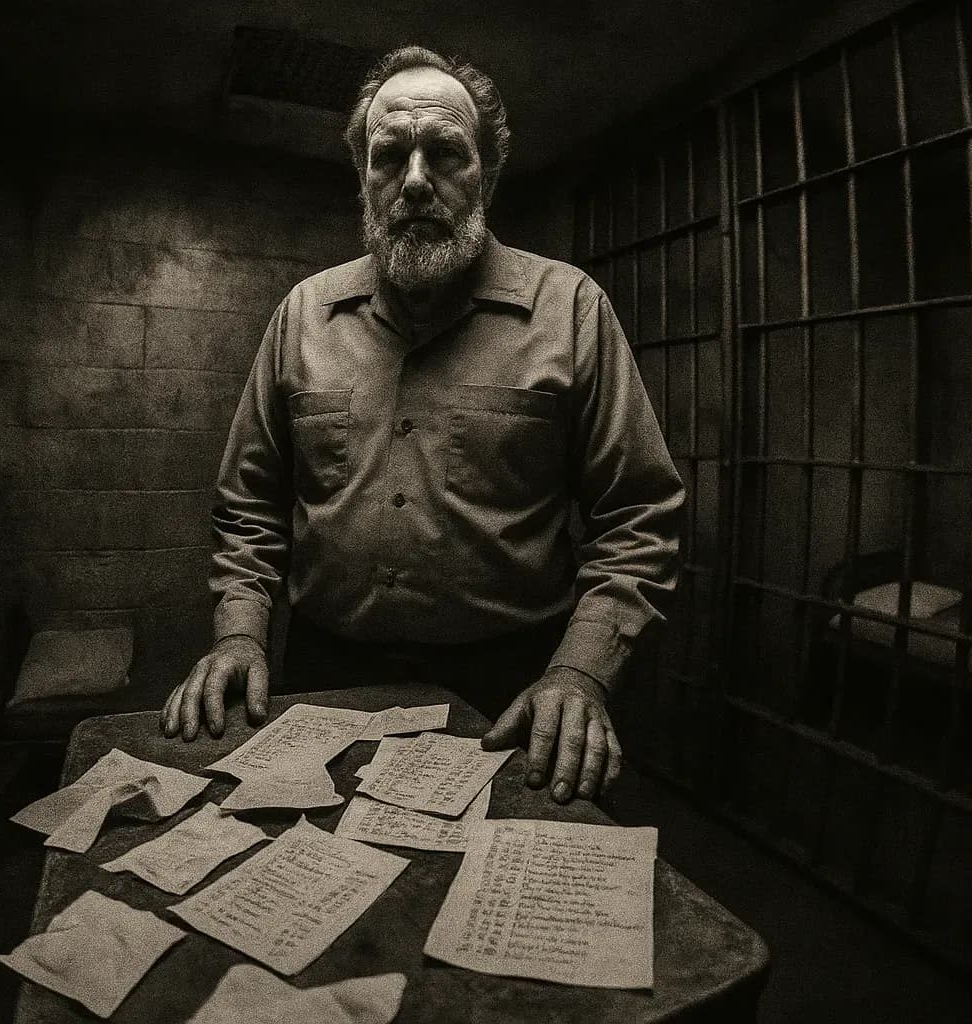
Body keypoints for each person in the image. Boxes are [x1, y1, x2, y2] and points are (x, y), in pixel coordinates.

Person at [160, 45, 684, 803]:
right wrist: (240, 630)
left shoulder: (570, 309)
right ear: (363, 177)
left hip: (510, 685)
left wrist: (581, 670)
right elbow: (249, 502)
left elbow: (638, 511)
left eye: (443, 152)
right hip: (327, 673)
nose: (413, 180)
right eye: (389, 156)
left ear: (488, 174)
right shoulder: (304, 315)